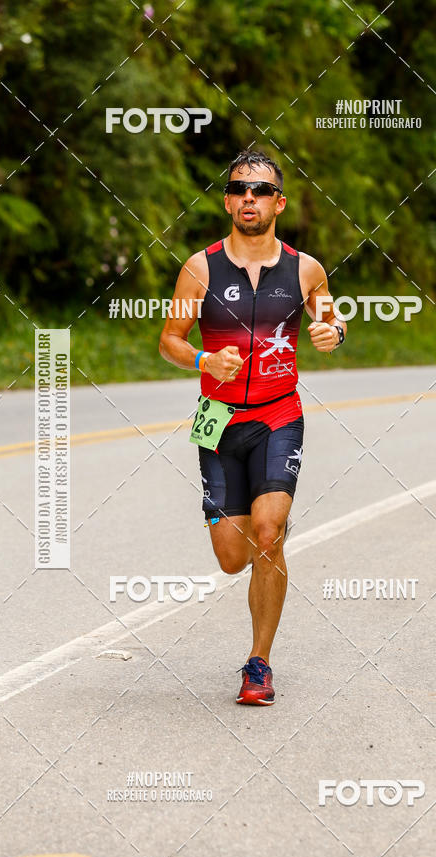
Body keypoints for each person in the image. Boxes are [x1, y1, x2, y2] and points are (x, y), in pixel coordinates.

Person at [159, 149, 346, 705]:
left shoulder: (306, 270)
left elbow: (331, 321)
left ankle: (258, 663)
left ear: (278, 203)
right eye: (240, 188)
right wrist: (202, 362)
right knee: (231, 557)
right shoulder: (200, 267)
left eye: (261, 190)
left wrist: (333, 334)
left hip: (278, 415)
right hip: (217, 423)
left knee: (269, 533)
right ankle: (258, 542)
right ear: (227, 200)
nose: (249, 197)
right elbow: (170, 339)